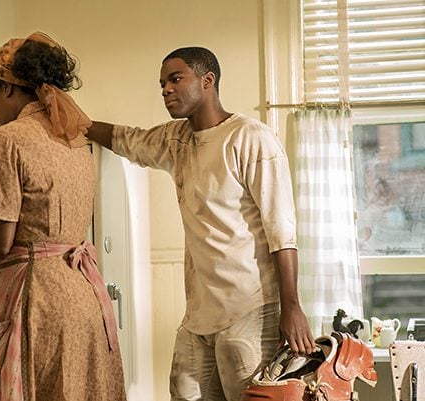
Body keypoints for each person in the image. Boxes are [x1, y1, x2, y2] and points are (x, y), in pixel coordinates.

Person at [85, 46, 315, 401]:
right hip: (197, 319)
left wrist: (292, 307)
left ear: (207, 81)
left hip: (250, 310)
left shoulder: (250, 137)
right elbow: (124, 139)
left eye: (176, 79)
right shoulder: (175, 140)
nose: (165, 89)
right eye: (162, 83)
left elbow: (281, 232)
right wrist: (71, 120)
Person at [0, 32, 127, 401]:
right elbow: (38, 233)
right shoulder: (75, 142)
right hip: (84, 299)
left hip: (42, 303)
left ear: (6, 88)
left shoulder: (7, 139)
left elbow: (0, 241)